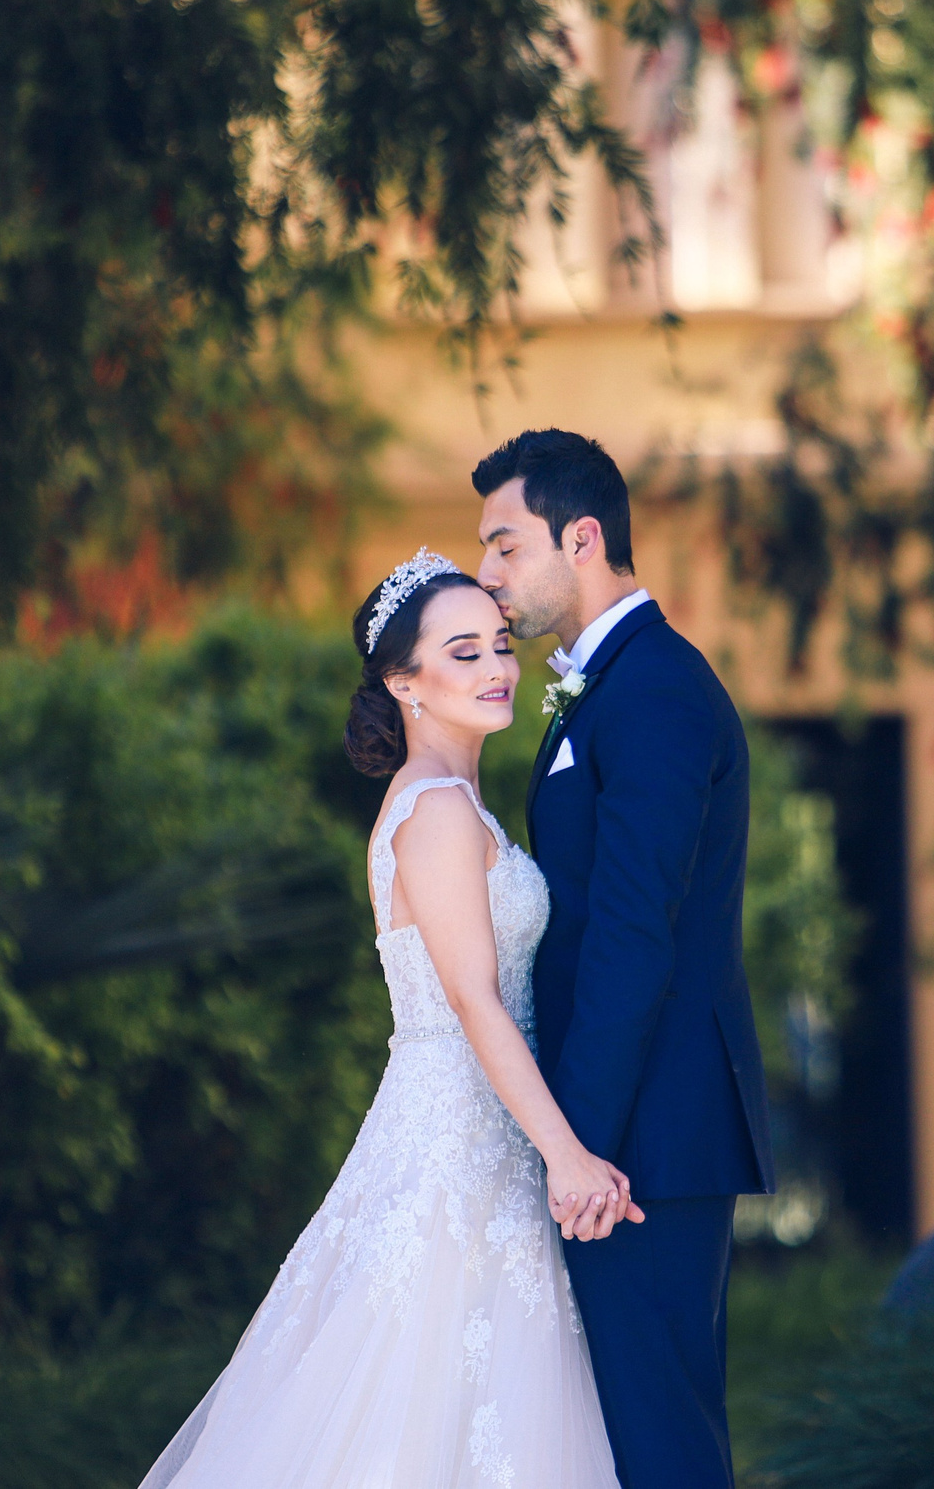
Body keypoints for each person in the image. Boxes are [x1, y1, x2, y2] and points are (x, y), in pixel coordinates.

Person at [138, 549, 635, 1489]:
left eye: (498, 645)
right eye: (463, 653)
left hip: (479, 1131)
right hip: (455, 1138)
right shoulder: (439, 810)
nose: (496, 667)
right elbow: (473, 997)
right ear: (405, 682)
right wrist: (567, 1154)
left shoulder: (451, 803)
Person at [474, 429, 775, 1489]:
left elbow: (632, 935)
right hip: (621, 1134)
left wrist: (578, 1149)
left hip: (643, 1136)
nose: (489, 575)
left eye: (506, 547)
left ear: (583, 537)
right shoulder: (609, 688)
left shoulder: (652, 692)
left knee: (661, 1448)